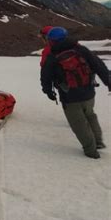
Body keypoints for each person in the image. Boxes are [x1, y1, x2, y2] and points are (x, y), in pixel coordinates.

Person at [41, 27, 110, 159]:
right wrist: (108, 82)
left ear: (51, 41)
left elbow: (46, 77)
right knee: (90, 115)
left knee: (79, 124)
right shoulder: (81, 50)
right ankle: (98, 142)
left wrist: (48, 91)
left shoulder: (52, 57)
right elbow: (98, 65)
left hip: (69, 96)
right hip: (89, 92)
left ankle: (91, 151)